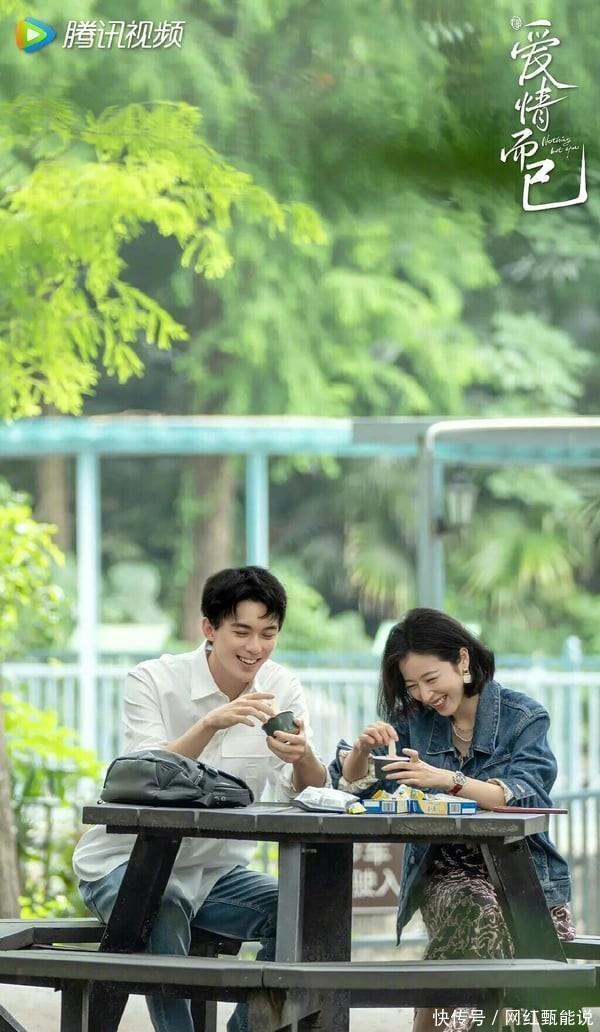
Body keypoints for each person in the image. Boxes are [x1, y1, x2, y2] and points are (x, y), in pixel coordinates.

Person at [73, 565, 329, 1032]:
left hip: (215, 871)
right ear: (209, 629)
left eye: (268, 633)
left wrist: (302, 755)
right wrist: (212, 722)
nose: (255, 647)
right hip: (124, 864)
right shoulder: (152, 679)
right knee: (163, 904)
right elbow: (145, 773)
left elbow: (309, 789)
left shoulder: (282, 687)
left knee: (303, 912)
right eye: (242, 632)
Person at [330, 607, 574, 1032]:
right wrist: (361, 752)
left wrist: (447, 780)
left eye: (431, 679)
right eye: (412, 686)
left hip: (527, 879)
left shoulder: (523, 717)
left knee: (487, 936)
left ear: (462, 660)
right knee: (478, 913)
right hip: (448, 876)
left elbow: (525, 792)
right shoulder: (414, 723)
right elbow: (355, 787)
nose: (425, 695)